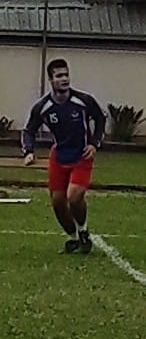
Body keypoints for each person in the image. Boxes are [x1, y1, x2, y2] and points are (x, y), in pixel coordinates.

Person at [22, 58, 106, 254]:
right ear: (51, 79)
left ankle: (84, 231)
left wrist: (94, 144)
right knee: (58, 202)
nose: (64, 79)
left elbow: (101, 119)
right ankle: (73, 237)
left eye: (66, 75)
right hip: (59, 156)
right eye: (59, 76)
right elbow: (29, 130)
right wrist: (29, 151)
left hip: (81, 155)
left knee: (74, 197)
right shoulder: (42, 107)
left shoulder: (83, 101)